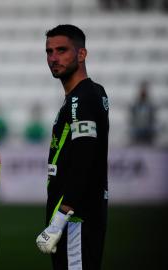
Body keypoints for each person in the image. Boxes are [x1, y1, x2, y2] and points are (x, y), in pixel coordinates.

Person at [35, 25, 109, 270]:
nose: (53, 58)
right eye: (49, 51)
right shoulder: (86, 94)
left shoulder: (82, 98)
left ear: (81, 54)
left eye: (62, 50)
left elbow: (85, 158)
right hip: (76, 216)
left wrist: (58, 220)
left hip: (75, 218)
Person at [129, 80, 157, 145]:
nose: (143, 93)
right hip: (137, 131)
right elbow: (132, 118)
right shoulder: (135, 105)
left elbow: (152, 119)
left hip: (148, 131)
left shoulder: (150, 106)